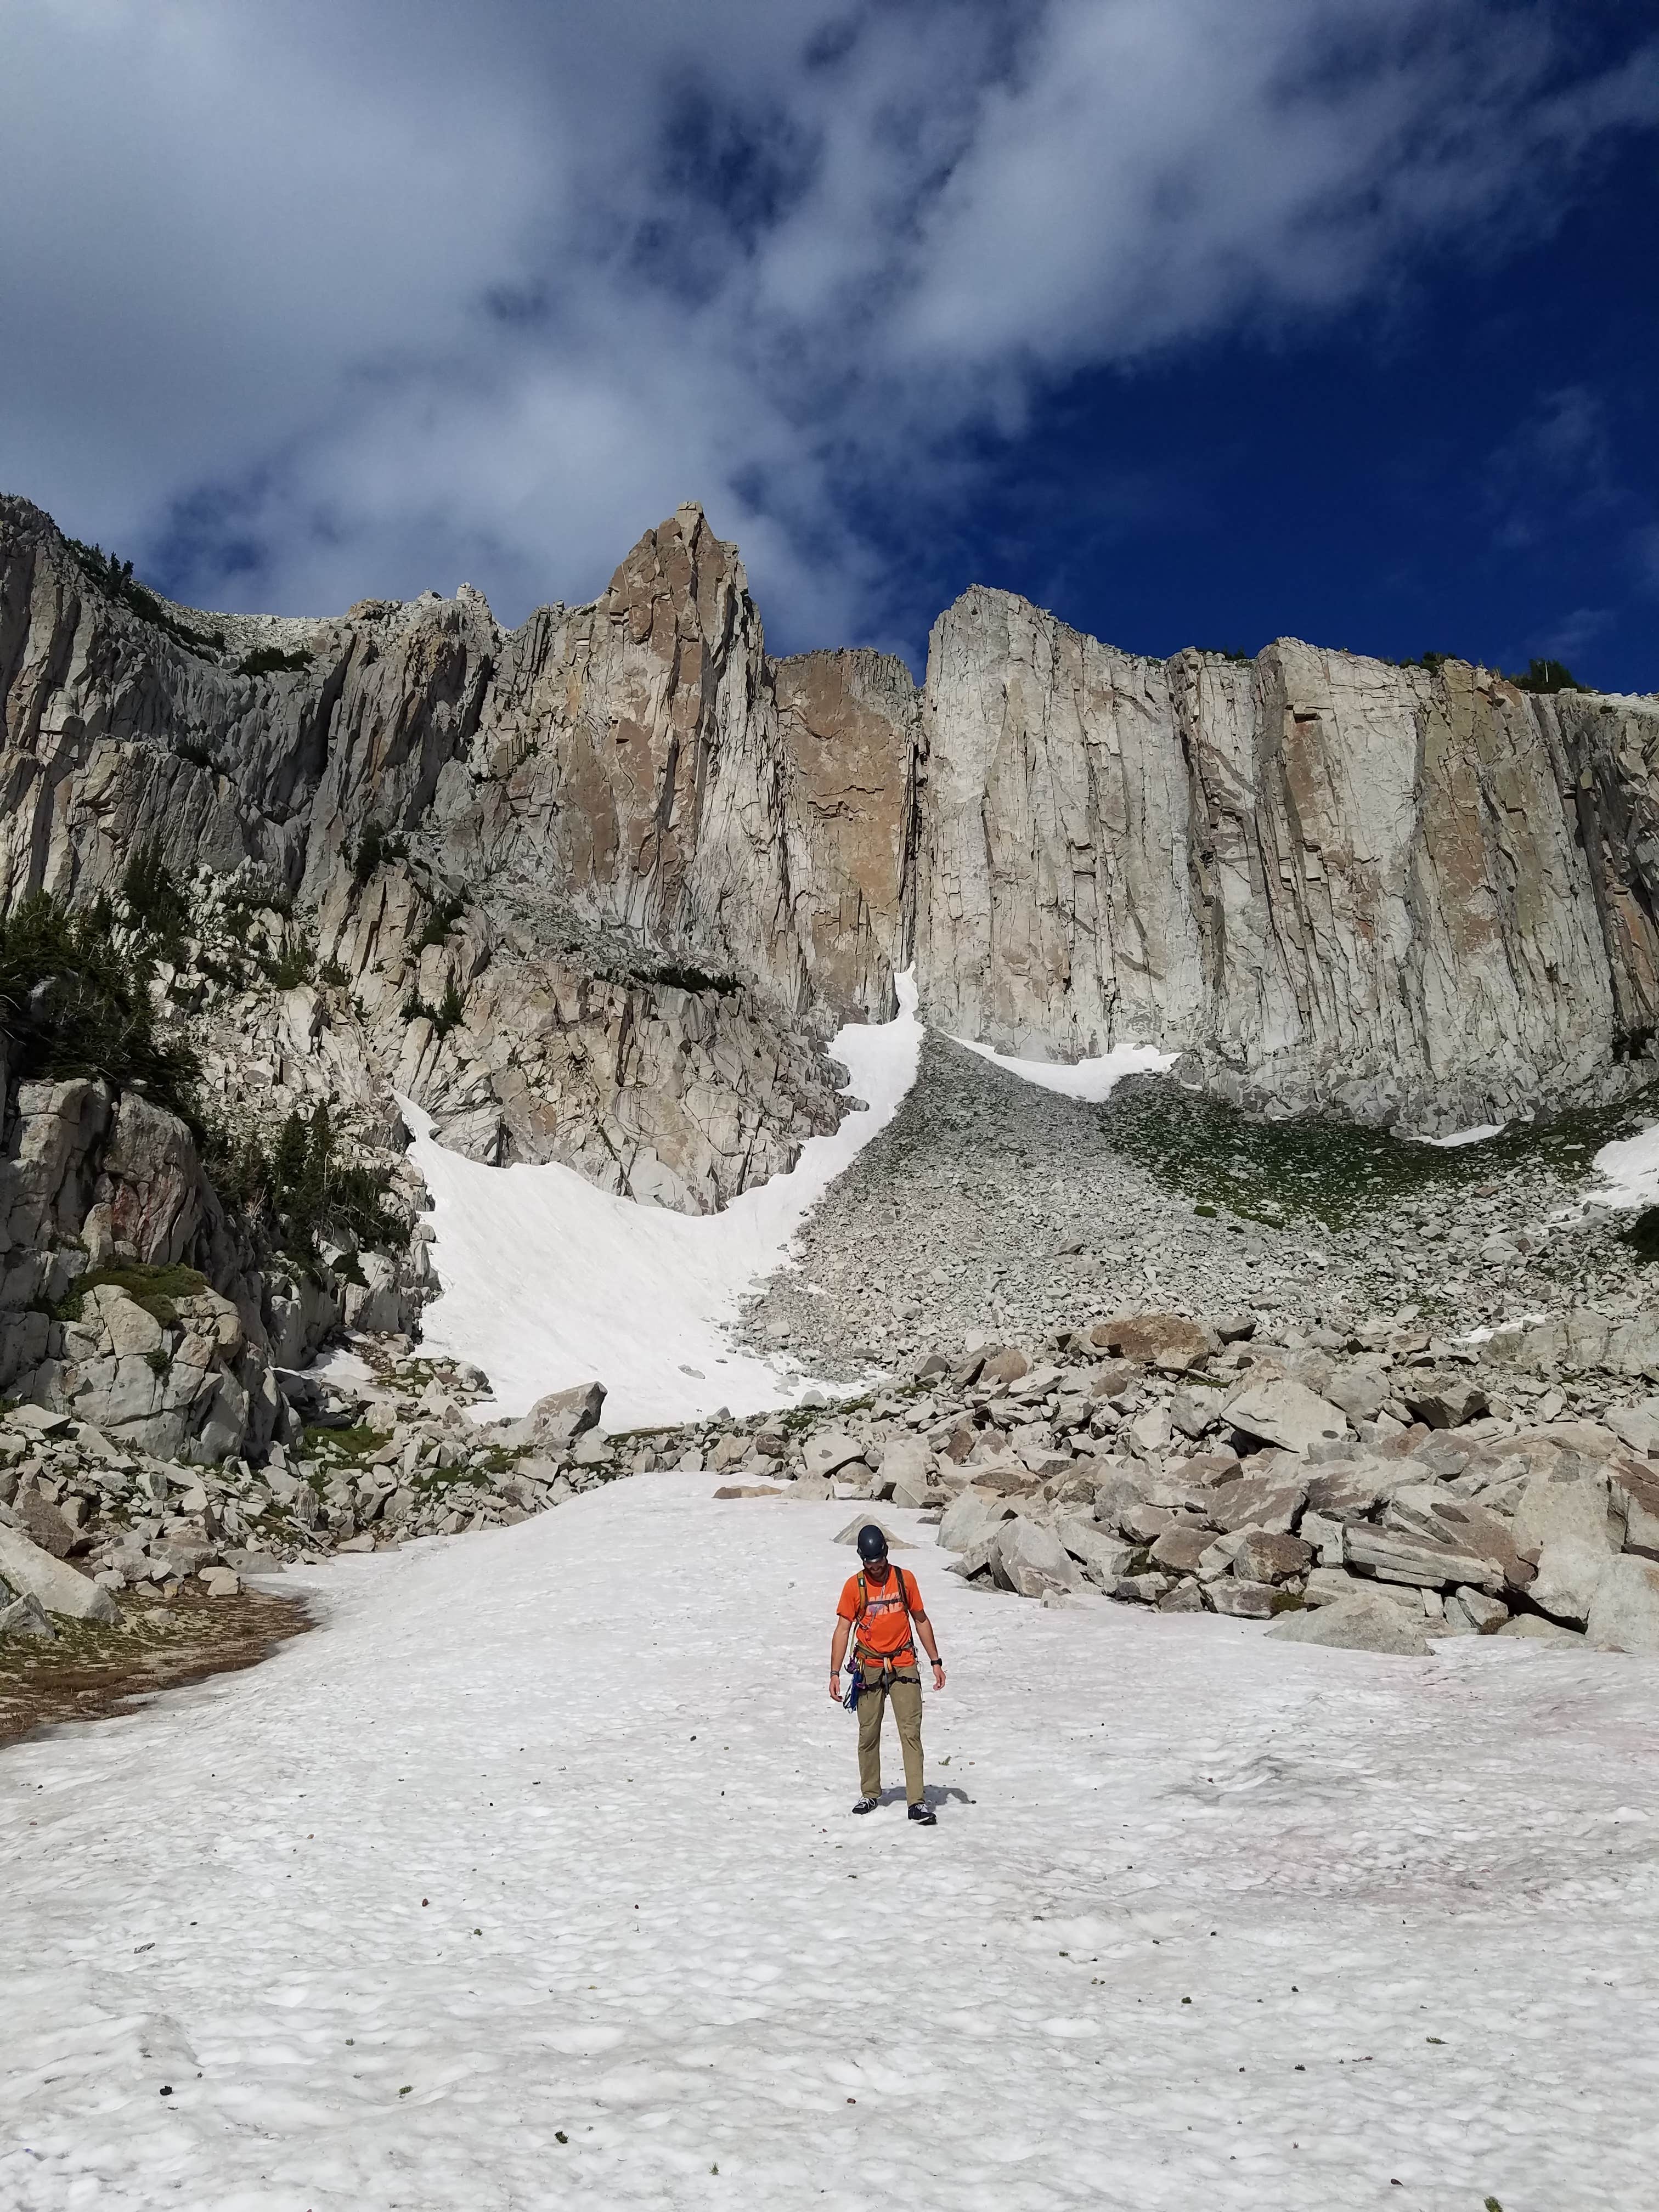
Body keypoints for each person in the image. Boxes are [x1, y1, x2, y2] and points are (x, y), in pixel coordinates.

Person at [828, 1523, 946, 1823]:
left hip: (904, 1664)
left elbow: (920, 1619)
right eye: (870, 1563)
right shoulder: (854, 1587)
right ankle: (870, 1793)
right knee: (868, 1733)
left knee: (911, 1732)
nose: (876, 1567)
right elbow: (843, 1630)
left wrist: (935, 1661)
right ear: (862, 1559)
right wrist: (834, 1673)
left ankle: (916, 1801)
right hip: (868, 1668)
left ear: (886, 1553)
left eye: (879, 1561)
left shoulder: (905, 1580)